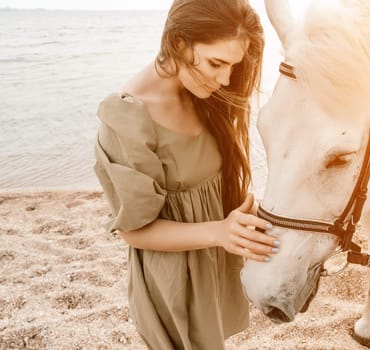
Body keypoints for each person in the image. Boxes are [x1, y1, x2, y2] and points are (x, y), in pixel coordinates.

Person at [93, 1, 279, 349]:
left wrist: (242, 221)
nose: (225, 79)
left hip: (212, 259)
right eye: (216, 63)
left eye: (233, 65)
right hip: (173, 278)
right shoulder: (127, 116)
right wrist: (219, 232)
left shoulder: (203, 94)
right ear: (179, 43)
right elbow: (134, 232)